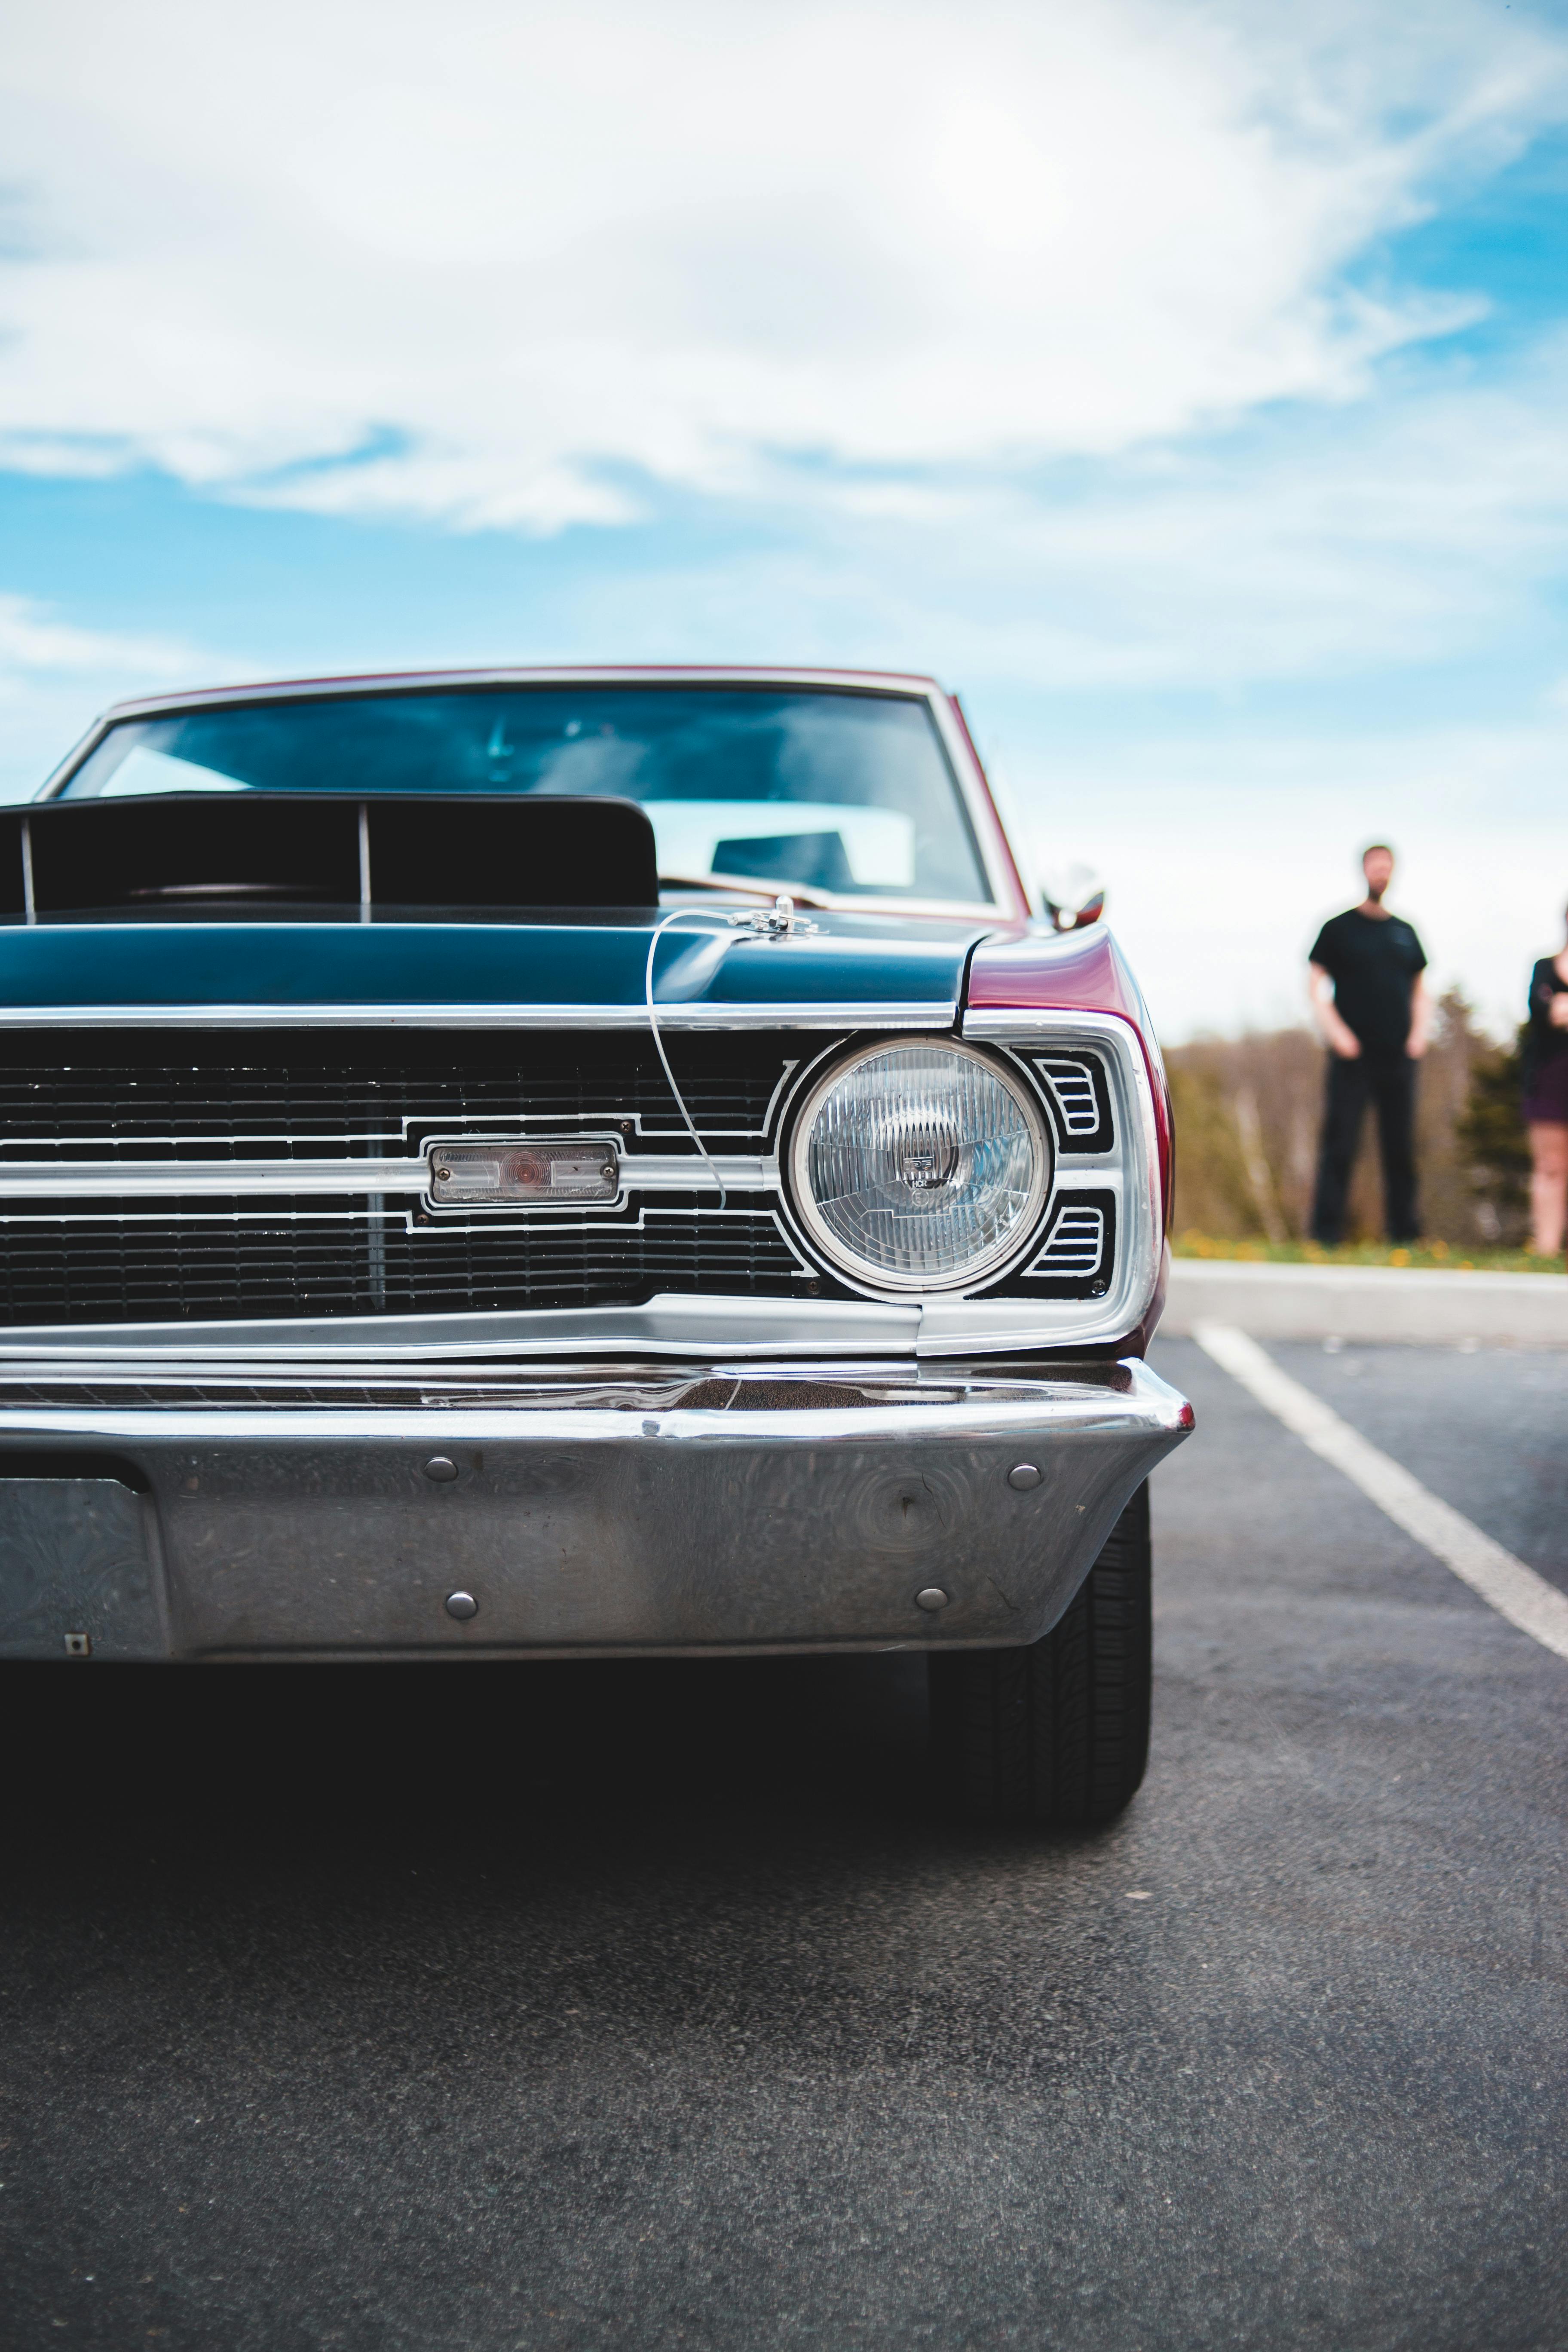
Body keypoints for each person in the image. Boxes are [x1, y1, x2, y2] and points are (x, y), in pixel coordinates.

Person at [1307, 844, 1430, 1245]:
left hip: (1398, 1055)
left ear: (1393, 873)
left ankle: (1405, 1236)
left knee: (1400, 1148)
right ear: (1364, 870)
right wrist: (1337, 1034)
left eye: (1388, 867)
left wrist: (1417, 1037)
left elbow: (1419, 990)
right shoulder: (1339, 928)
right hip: (1353, 1056)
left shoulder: (1405, 932)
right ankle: (1326, 1234)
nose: (1382, 872)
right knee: (1340, 1144)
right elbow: (1315, 985)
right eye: (1376, 865)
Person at [1524, 909, 1568, 1258]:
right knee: (1550, 1166)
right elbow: (1545, 1014)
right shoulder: (1543, 967)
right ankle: (1547, 1250)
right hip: (1551, 1077)